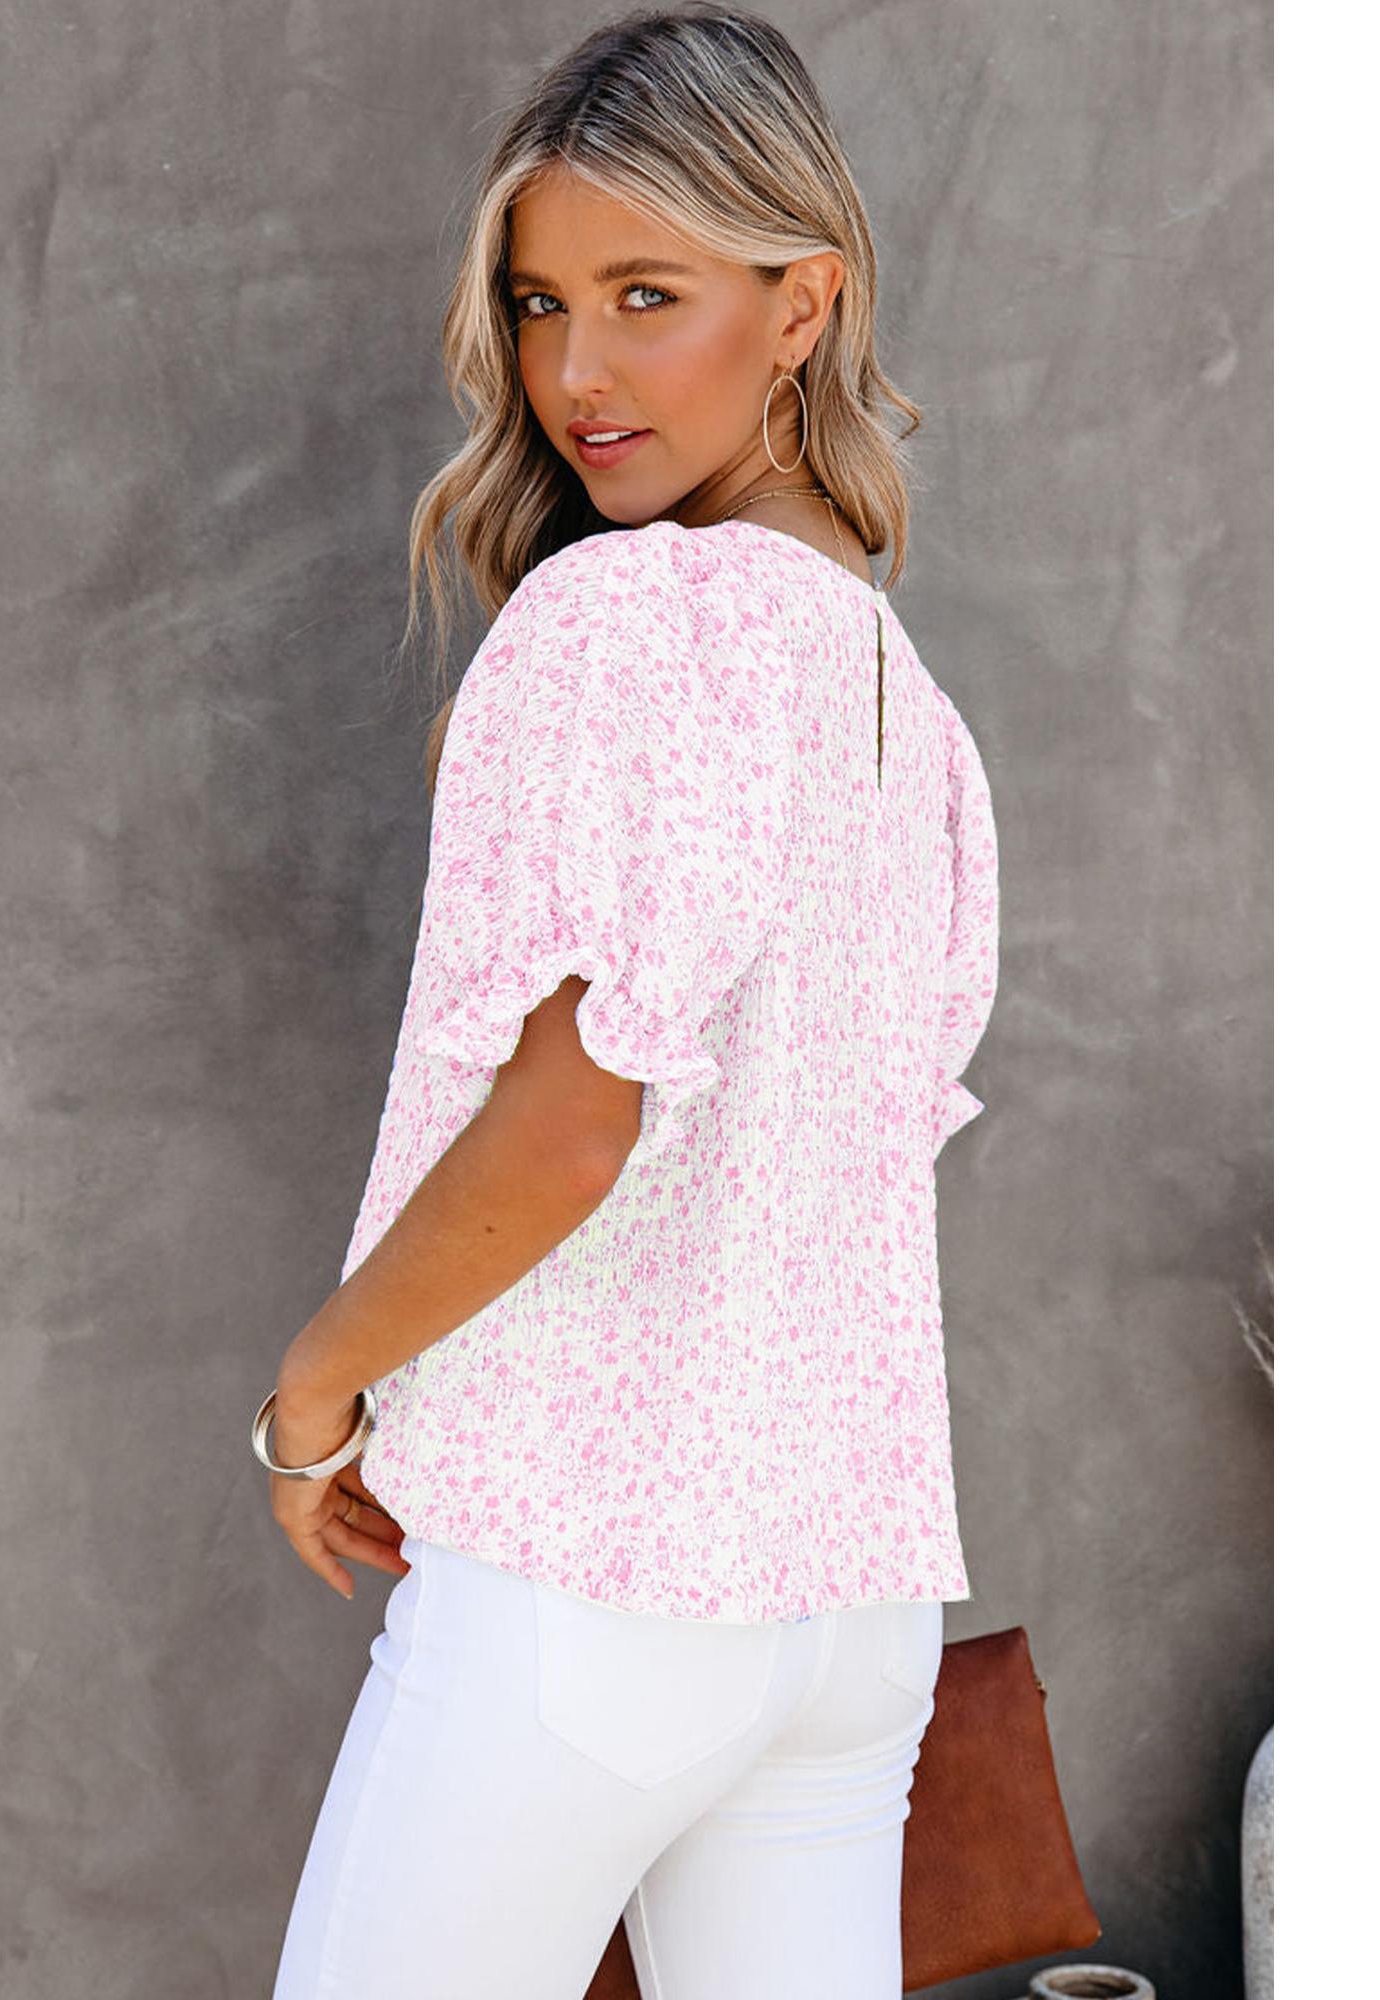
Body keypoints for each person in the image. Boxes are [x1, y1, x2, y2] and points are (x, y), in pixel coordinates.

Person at [260, 7, 1000, 1996]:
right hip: (844, 1614)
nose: (577, 373)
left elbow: (576, 1122)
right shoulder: (895, 697)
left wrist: (317, 1393)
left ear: (799, 305)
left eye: (645, 296)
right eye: (539, 305)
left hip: (593, 1584)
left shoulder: (624, 614)